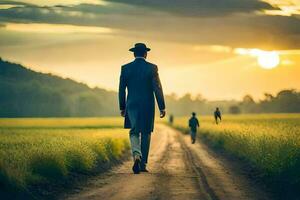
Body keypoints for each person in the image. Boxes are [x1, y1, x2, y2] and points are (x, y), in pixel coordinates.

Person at [118, 43, 166, 174]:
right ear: (146, 54)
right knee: (146, 133)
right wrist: (162, 107)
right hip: (147, 104)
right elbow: (157, 88)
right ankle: (143, 164)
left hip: (131, 104)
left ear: (134, 54)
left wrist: (122, 107)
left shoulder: (125, 68)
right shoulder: (152, 68)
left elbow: (121, 90)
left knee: (134, 131)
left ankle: (136, 155)